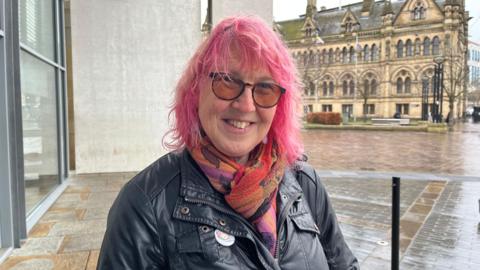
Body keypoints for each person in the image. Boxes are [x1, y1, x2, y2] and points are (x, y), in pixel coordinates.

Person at [97, 16, 359, 270]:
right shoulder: (145, 205)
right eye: (227, 81)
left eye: (265, 88)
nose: (246, 105)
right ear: (196, 90)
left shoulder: (304, 183)